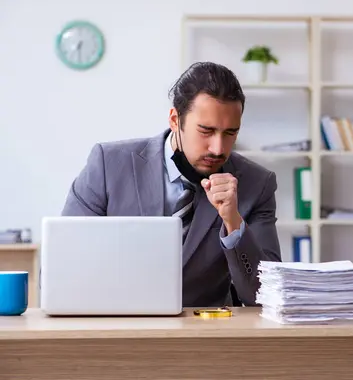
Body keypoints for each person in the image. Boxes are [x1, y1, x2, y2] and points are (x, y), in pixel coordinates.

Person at [61, 61, 282, 307]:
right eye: (206, 131)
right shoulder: (108, 165)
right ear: (175, 120)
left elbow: (266, 296)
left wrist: (233, 222)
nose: (219, 148)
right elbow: (64, 265)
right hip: (117, 326)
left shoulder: (257, 184)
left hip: (206, 334)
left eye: (230, 133)